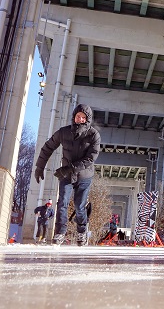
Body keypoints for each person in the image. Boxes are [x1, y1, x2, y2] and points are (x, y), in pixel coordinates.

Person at [34, 104, 101, 246]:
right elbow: (48, 147)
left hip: (84, 176)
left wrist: (69, 168)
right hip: (66, 176)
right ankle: (60, 233)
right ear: (74, 117)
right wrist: (40, 167)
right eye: (78, 116)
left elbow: (90, 158)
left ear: (87, 119)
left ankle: (82, 232)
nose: (80, 119)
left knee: (79, 206)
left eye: (83, 117)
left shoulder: (93, 135)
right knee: (62, 203)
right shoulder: (64, 132)